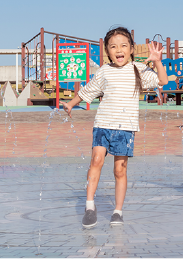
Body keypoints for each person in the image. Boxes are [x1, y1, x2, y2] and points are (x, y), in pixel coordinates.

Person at [63, 27, 168, 228]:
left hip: (125, 127)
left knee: (120, 169)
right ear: (107, 51)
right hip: (103, 123)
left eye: (123, 46)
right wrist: (71, 104)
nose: (118, 50)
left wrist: (156, 61)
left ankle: (118, 211)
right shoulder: (104, 71)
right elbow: (89, 90)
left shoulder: (139, 69)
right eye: (113, 46)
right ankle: (90, 206)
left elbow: (162, 81)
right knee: (96, 160)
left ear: (131, 50)